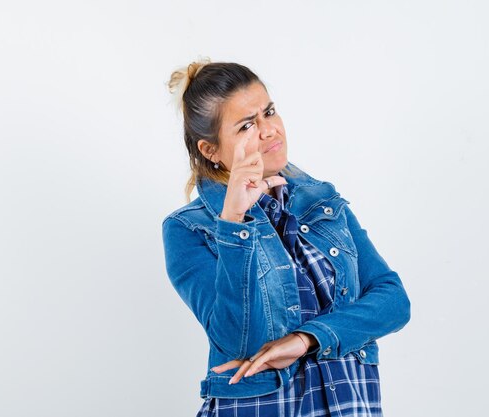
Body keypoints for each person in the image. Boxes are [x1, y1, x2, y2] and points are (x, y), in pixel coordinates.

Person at [161, 57, 411, 417]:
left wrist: (308, 339)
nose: (269, 131)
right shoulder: (188, 229)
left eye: (269, 112)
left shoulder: (324, 201)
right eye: (247, 125)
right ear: (210, 150)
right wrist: (234, 222)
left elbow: (393, 301)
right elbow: (237, 342)